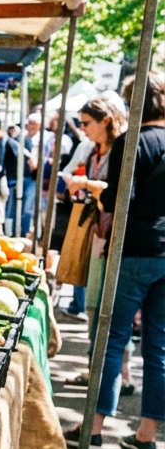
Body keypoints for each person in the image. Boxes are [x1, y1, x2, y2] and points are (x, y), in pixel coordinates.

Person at [68, 71, 165, 449]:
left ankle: (93, 430)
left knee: (110, 340)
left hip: (132, 251)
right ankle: (147, 435)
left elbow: (117, 203)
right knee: (158, 346)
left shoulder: (132, 142)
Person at [59, 96, 134, 398]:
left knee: (111, 311)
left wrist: (88, 185)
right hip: (96, 235)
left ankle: (119, 376)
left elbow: (119, 193)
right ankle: (98, 370)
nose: (82, 129)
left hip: (115, 239)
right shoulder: (93, 150)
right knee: (93, 306)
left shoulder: (122, 150)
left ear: (106, 120)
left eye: (87, 123)